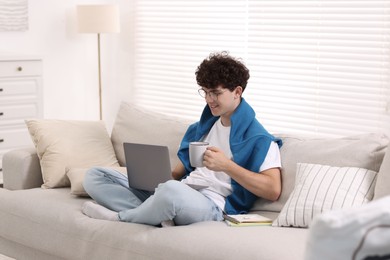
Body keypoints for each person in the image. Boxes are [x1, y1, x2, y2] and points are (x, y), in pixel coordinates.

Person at [82, 51, 282, 226]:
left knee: (170, 192)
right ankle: (153, 213)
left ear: (237, 92)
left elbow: (273, 190)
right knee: (95, 176)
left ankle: (122, 217)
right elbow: (177, 175)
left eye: (215, 93)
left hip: (212, 204)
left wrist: (226, 166)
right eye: (205, 92)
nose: (208, 100)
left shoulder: (260, 139)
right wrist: (153, 175)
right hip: (180, 191)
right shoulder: (201, 128)